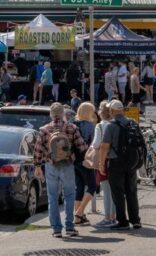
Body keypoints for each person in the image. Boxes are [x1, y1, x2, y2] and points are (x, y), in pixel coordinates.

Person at [33, 102, 87, 238]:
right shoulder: (72, 127)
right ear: (63, 113)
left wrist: (38, 166)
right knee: (69, 195)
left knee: (52, 197)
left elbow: (38, 149)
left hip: (51, 165)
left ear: (51, 114)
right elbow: (81, 146)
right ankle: (69, 226)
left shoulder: (44, 129)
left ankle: (56, 229)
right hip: (67, 165)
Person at [98, 100, 146, 230]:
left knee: (118, 193)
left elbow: (104, 147)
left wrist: (101, 164)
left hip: (116, 162)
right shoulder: (133, 123)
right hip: (132, 163)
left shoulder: (110, 126)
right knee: (131, 192)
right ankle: (135, 220)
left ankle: (122, 221)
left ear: (112, 111)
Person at [91, 101, 116, 228]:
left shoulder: (100, 126)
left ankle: (107, 218)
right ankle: (114, 216)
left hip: (104, 159)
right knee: (115, 190)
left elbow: (96, 144)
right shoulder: (116, 124)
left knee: (106, 190)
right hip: (117, 159)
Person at [73, 102, 97, 225]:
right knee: (93, 185)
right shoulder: (90, 125)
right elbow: (92, 143)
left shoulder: (73, 124)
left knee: (79, 187)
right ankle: (79, 212)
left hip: (73, 160)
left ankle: (78, 217)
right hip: (85, 159)